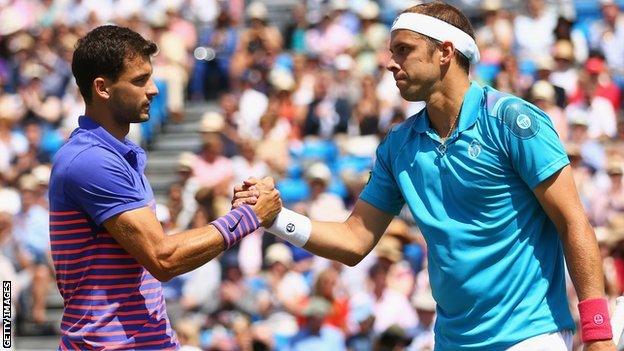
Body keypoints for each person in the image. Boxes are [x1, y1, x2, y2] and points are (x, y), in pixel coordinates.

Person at [233, 2, 616, 350]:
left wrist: (597, 333)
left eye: (404, 50)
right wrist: (275, 218)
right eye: (391, 51)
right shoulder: (398, 146)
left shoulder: (513, 120)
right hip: (450, 342)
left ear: (445, 53)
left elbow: (573, 222)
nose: (390, 62)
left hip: (532, 337)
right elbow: (353, 241)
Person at [48, 25, 281, 350]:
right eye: (140, 80)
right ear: (102, 88)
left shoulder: (112, 154)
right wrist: (247, 218)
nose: (154, 89)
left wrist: (238, 214)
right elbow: (162, 258)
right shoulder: (92, 160)